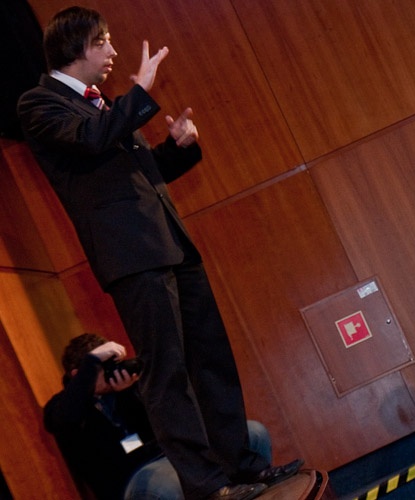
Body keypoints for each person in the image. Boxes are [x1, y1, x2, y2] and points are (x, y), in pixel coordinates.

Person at [17, 7, 298, 499]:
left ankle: (241, 467)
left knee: (211, 360)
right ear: (75, 46)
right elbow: (90, 140)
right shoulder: (39, 103)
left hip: (170, 242)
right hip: (131, 257)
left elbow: (145, 175)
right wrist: (140, 93)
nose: (113, 51)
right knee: (168, 373)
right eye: (102, 41)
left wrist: (179, 146)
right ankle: (207, 487)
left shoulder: (104, 104)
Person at [45, 333, 301, 500]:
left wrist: (127, 395)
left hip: (170, 457)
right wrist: (92, 364)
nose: (112, 373)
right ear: (78, 375)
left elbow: (154, 428)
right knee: (167, 485)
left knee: (253, 433)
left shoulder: (123, 392)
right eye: (102, 368)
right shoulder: (62, 407)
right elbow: (65, 418)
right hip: (134, 478)